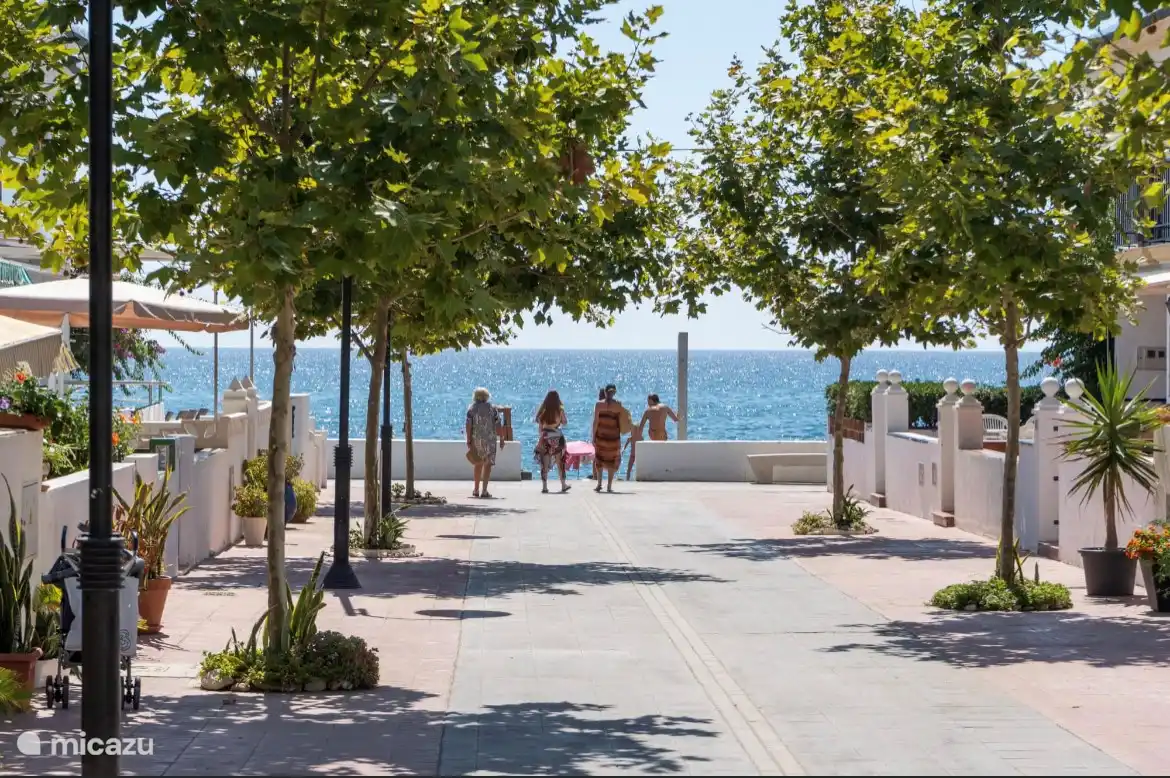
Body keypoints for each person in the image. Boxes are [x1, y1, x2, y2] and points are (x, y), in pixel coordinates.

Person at [466, 387, 504, 498]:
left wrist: (468, 440)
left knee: (478, 464)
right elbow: (498, 424)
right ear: (487, 396)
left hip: (476, 439)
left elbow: (468, 426)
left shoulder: (471, 409)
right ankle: (484, 490)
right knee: (488, 465)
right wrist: (501, 438)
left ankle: (476, 490)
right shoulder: (492, 409)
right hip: (490, 440)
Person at [591, 384, 629, 493]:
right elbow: (621, 421)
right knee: (612, 460)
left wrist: (593, 436)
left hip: (601, 436)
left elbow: (596, 422)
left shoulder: (598, 405)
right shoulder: (618, 405)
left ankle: (599, 484)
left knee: (599, 460)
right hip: (613, 437)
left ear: (605, 392)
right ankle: (609, 486)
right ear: (614, 393)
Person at [533, 390, 571, 494]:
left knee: (544, 463)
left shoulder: (543, 410)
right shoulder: (560, 409)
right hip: (557, 437)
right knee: (560, 462)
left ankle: (545, 487)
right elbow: (565, 422)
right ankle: (563, 485)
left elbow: (539, 426)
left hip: (545, 437)